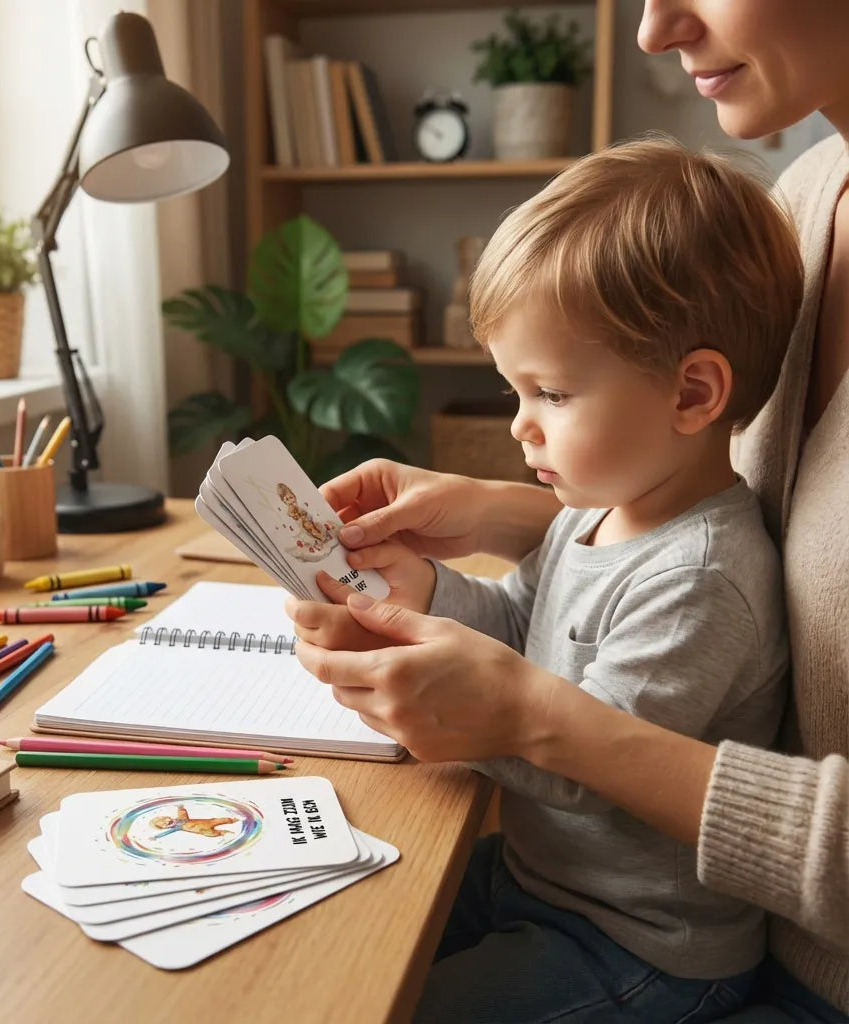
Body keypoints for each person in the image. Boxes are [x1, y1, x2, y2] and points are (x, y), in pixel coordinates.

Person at [286, 3, 849, 1021]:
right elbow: (524, 627)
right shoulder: (601, 514)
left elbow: (587, 756)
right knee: (338, 939)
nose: (519, 425)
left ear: (692, 395)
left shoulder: (702, 576)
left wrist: (465, 705)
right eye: (516, 390)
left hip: (639, 943)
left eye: (549, 393)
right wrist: (426, 595)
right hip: (547, 883)